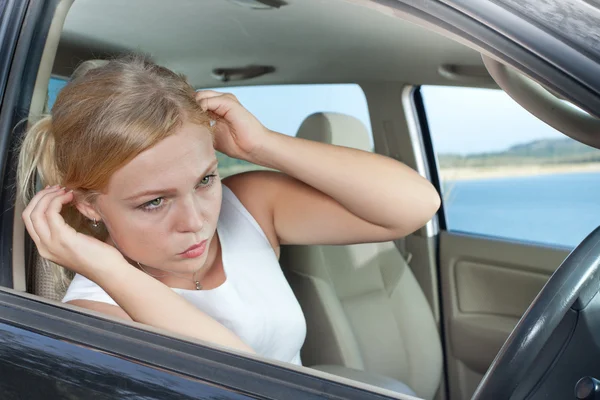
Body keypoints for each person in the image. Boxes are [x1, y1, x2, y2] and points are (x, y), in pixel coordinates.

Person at [18, 55, 440, 365]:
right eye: (153, 202)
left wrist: (264, 145)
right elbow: (246, 379)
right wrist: (110, 272)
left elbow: (415, 206)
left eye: (205, 180)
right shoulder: (92, 314)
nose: (197, 221)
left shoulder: (248, 207)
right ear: (90, 204)